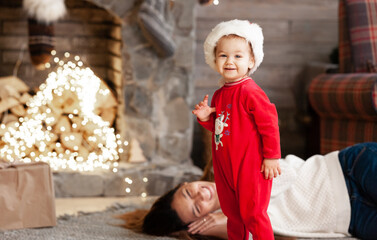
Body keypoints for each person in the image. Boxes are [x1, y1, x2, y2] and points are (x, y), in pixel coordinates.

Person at [118, 142, 377, 240]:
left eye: (189, 191)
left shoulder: (235, 171)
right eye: (197, 207)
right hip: (354, 219)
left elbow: (285, 173)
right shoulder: (240, 229)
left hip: (349, 170)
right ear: (201, 223)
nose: (200, 194)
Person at [191, 19, 281, 240]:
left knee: (253, 213)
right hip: (225, 165)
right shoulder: (220, 94)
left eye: (237, 56)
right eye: (223, 55)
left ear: (251, 60)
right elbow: (224, 129)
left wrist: (272, 157)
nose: (230, 61)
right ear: (215, 59)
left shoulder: (250, 91)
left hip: (250, 165)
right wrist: (205, 119)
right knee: (233, 214)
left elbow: (269, 124)